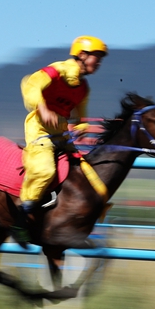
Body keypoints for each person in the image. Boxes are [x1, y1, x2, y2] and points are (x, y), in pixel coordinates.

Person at [12, 35, 107, 245]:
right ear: (82, 55)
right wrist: (42, 107)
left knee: (87, 173)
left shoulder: (83, 88)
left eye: (101, 59)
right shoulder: (57, 71)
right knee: (45, 171)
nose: (98, 63)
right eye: (96, 57)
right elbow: (31, 85)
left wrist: (81, 126)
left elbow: (79, 114)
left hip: (62, 134)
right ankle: (20, 220)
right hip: (39, 130)